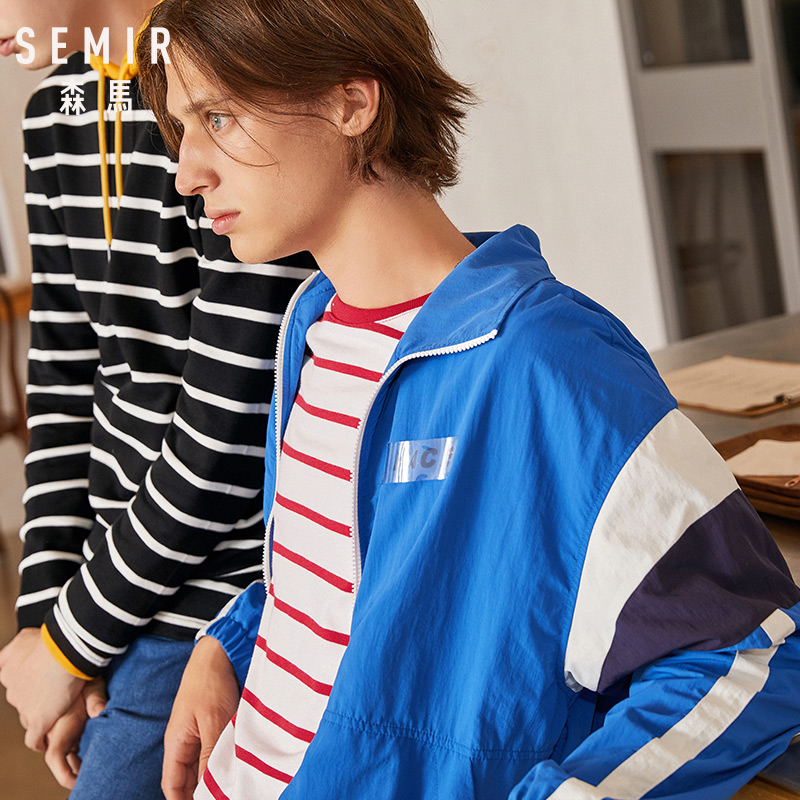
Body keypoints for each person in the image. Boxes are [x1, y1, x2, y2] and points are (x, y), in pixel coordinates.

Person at [137, 0, 800, 798]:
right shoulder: (311, 326)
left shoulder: (542, 358)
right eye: (184, 128)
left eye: (219, 118)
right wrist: (232, 641)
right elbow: (347, 589)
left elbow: (750, 659)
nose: (187, 172)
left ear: (352, 102)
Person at [0, 1, 311, 797]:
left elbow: (225, 436)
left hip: (227, 595)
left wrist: (69, 643)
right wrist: (45, 621)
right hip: (112, 593)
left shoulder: (225, 93)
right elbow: (62, 384)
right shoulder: (54, 116)